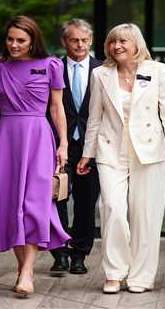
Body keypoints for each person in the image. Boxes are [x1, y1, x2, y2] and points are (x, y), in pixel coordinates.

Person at [77, 23, 165, 294]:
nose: (117, 46)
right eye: (113, 42)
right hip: (111, 149)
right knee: (112, 208)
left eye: (123, 41)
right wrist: (87, 154)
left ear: (137, 44)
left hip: (148, 150)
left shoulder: (157, 71)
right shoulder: (100, 74)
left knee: (145, 216)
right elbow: (95, 118)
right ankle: (114, 273)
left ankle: (140, 277)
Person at [0, 15, 71, 296]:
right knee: (11, 205)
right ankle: (23, 269)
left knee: (34, 205)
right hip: (6, 139)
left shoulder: (51, 65)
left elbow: (57, 108)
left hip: (39, 138)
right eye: (10, 39)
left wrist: (63, 143)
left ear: (33, 40)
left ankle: (27, 270)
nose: (14, 45)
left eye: (21, 40)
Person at [49, 19, 102, 275]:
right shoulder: (53, 67)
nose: (79, 44)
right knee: (55, 198)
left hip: (92, 146)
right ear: (64, 42)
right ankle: (59, 252)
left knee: (86, 202)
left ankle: (80, 254)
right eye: (74, 40)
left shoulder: (103, 69)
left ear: (90, 40)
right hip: (59, 144)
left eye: (84, 40)